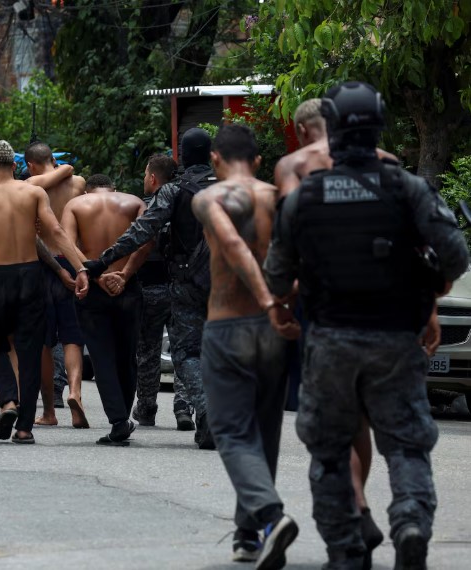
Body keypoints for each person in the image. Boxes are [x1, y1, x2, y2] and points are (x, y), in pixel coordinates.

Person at [264, 82, 470, 570]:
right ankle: (411, 523)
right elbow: (455, 255)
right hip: (396, 338)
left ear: (331, 130)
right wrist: (428, 294)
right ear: (379, 126)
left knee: (331, 450)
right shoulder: (407, 186)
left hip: (330, 340)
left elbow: (276, 274)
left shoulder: (303, 196)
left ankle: (346, 549)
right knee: (406, 444)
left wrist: (291, 299)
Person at [274, 98, 399, 554]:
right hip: (383, 301)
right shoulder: (388, 164)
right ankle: (359, 502)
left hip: (322, 300)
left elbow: (287, 240)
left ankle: (357, 504)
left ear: (305, 130)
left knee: (331, 414)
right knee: (361, 415)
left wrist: (280, 300)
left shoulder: (294, 165)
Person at [185, 125, 300, 568]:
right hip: (274, 330)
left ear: (215, 159)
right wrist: (282, 302)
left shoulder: (208, 199)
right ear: (256, 160)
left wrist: (266, 299)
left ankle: (270, 516)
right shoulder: (279, 198)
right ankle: (249, 533)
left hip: (229, 324)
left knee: (231, 430)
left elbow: (232, 244)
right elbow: (301, 260)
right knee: (264, 432)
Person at [84, 128, 217, 449]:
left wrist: (103, 261)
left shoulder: (174, 191)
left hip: (188, 283)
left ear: (182, 156)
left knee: (186, 352)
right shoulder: (232, 188)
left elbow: (142, 231)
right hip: (233, 281)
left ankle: (206, 409)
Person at [0, 140, 89, 444]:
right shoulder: (33, 192)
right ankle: (25, 428)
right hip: (30, 275)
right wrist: (82, 268)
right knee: (30, 351)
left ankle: (7, 402)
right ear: (14, 165)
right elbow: (56, 232)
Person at [62, 174, 145, 444]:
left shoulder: (76, 205)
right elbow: (147, 239)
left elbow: (68, 244)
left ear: (88, 191)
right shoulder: (133, 202)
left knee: (101, 355)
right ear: (114, 189)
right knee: (127, 353)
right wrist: (124, 275)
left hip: (91, 287)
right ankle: (123, 417)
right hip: (127, 286)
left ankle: (119, 420)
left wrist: (95, 275)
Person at [107, 154, 184, 428]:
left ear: (153, 178)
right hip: (179, 286)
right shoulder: (185, 205)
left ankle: (147, 407)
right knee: (183, 348)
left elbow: (137, 241)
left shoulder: (146, 208)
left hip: (149, 287)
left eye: (145, 174)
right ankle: (183, 408)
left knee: (148, 350)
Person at [25, 141, 86, 426]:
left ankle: (49, 411)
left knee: (45, 342)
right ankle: (75, 391)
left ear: (31, 164)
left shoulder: (32, 184)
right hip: (72, 261)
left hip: (44, 263)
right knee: (73, 336)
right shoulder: (79, 183)